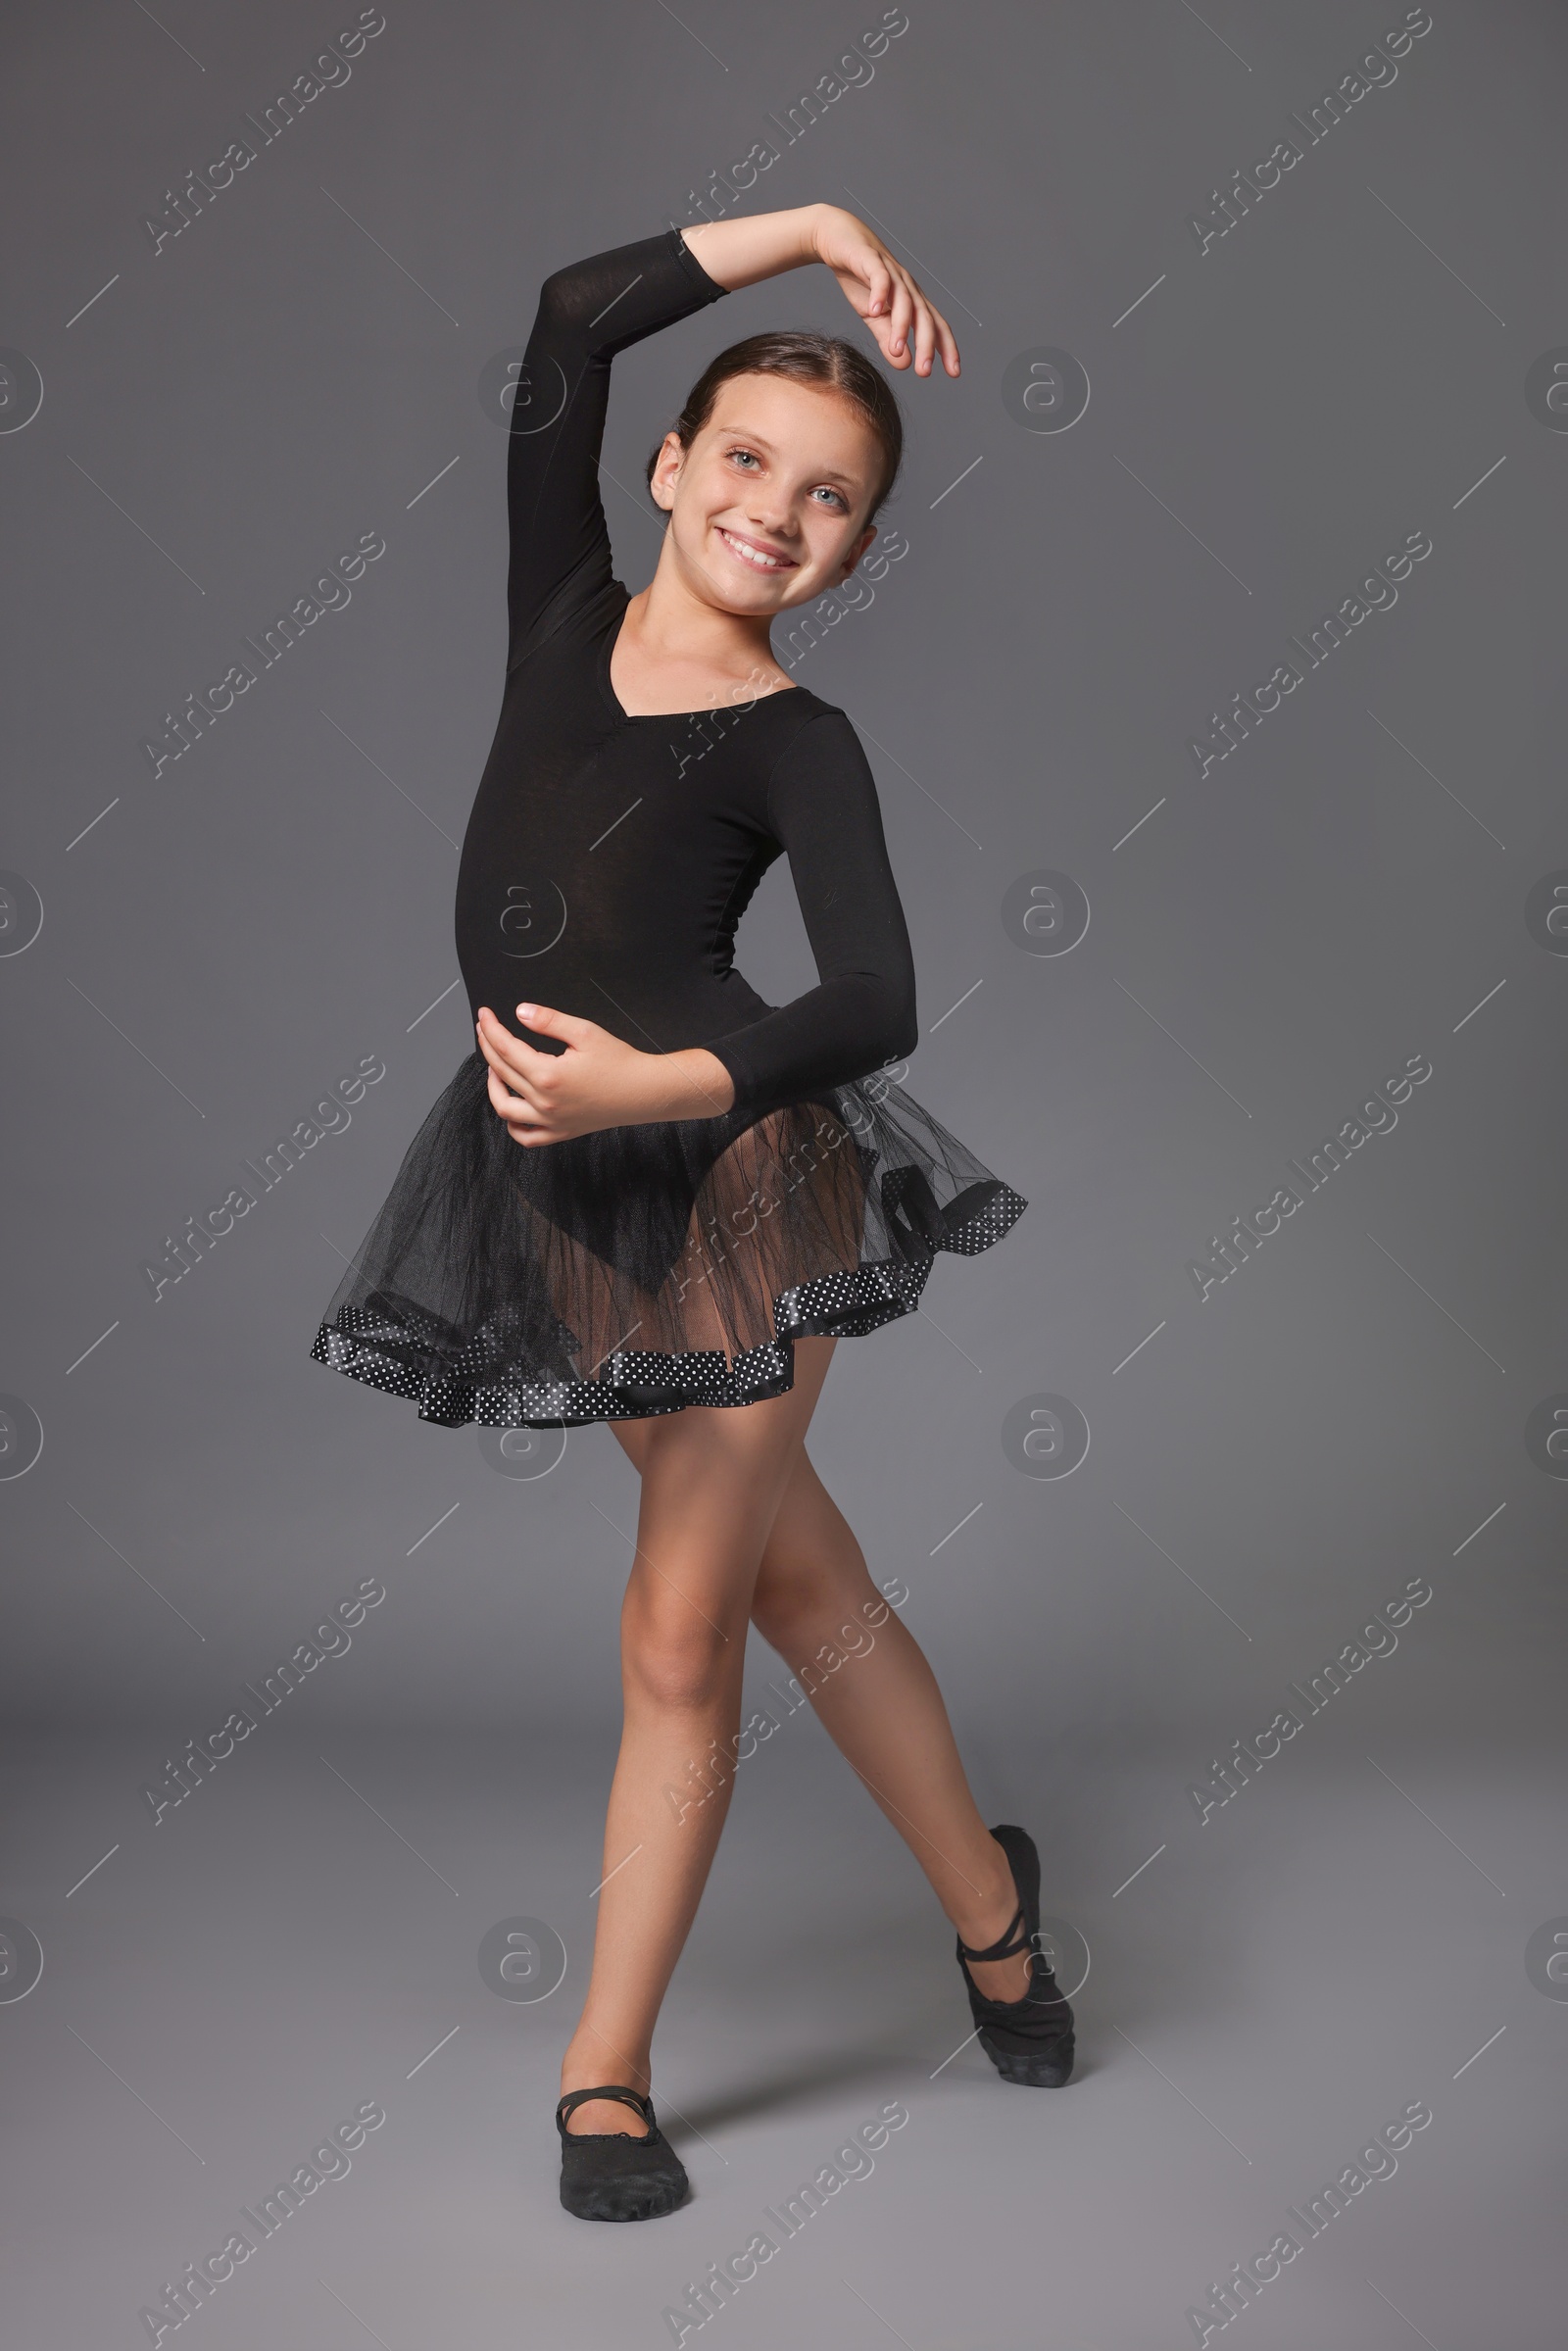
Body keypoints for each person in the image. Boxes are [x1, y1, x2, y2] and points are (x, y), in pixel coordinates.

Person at [312, 200, 1073, 2223]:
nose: (773, 507)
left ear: (853, 550)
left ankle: (602, 2078)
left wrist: (661, 1083)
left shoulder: (795, 743)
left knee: (675, 1638)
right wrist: (817, 228)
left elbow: (872, 999)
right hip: (562, 1185)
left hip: (733, 1173)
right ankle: (994, 1915)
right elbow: (568, 311)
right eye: (740, 456)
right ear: (661, 467)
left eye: (828, 497)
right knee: (800, 1593)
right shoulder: (557, 611)